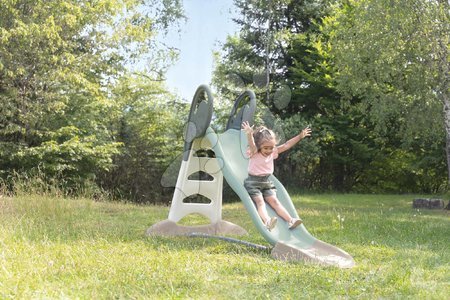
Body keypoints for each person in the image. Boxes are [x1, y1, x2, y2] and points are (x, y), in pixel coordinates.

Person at [242, 121, 312, 231]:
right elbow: (251, 144)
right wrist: (249, 134)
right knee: (260, 202)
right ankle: (267, 221)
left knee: (274, 201)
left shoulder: (273, 151)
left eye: (271, 147)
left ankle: (290, 220)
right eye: (266, 148)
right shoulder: (254, 151)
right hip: (253, 183)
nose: (269, 151)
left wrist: (300, 136)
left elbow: (287, 145)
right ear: (259, 146)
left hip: (267, 182)